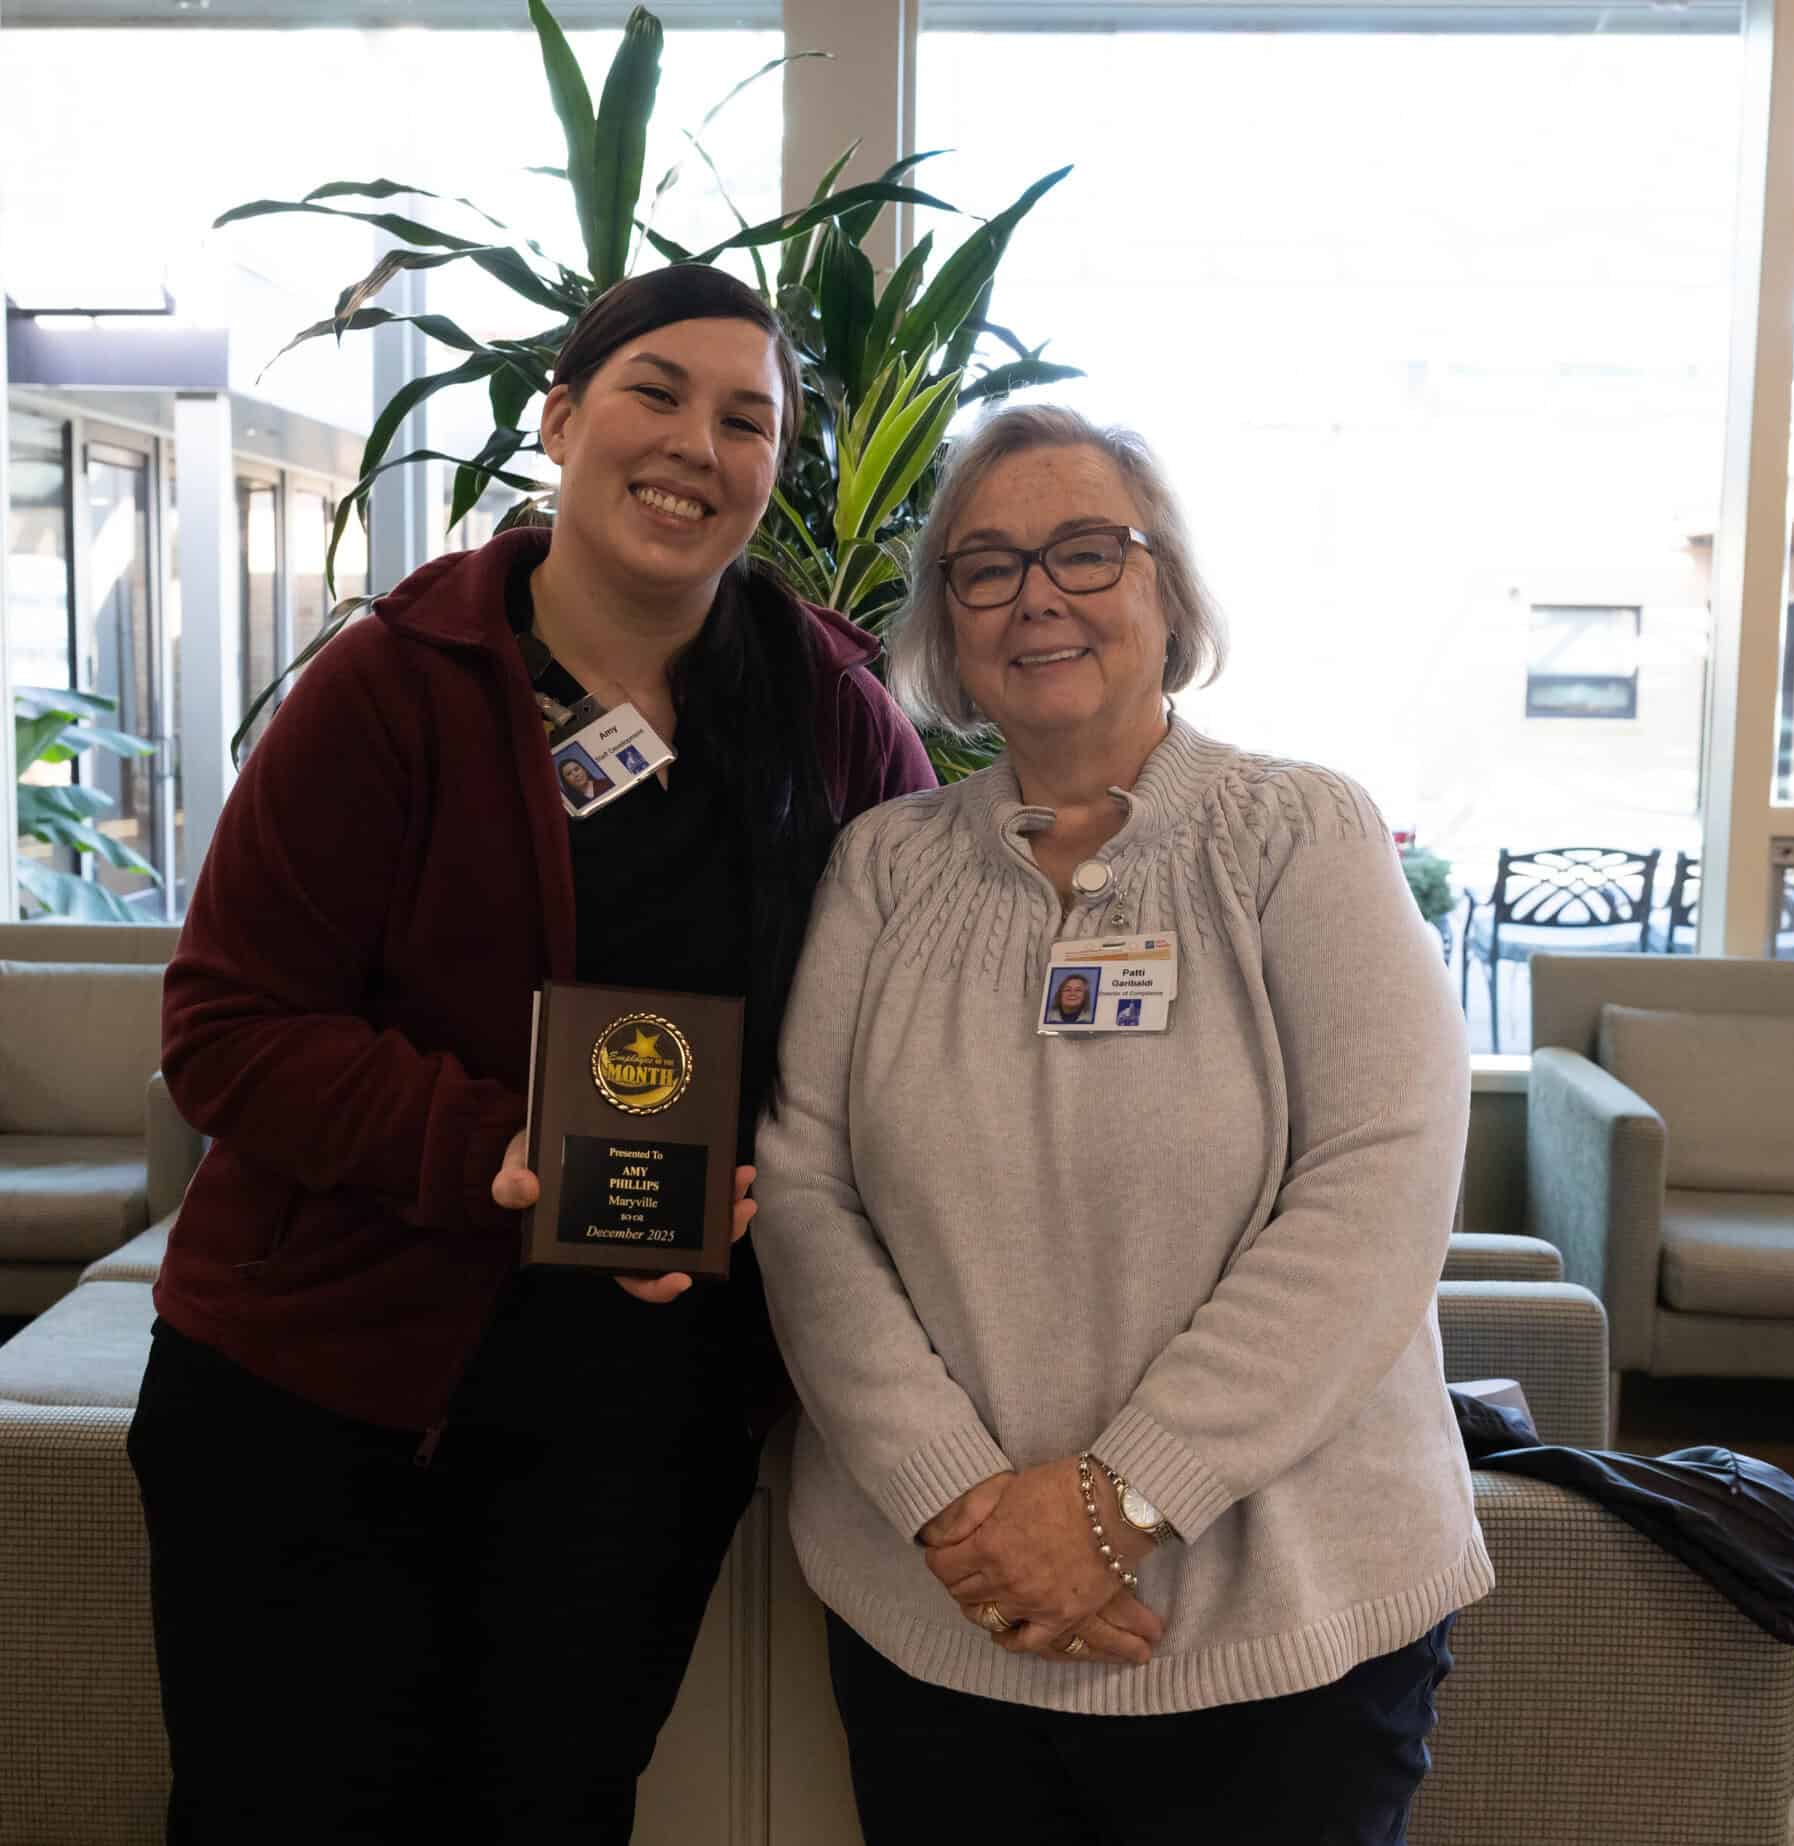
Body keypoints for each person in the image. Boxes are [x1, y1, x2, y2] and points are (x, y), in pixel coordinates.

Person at [127, 263, 934, 1846]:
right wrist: (493, 1150)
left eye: (746, 418)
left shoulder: (828, 709)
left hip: (639, 1423)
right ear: (561, 416)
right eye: (655, 393)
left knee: (549, 1813)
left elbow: (929, 998)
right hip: (323, 1385)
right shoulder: (394, 685)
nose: (698, 442)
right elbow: (222, 1031)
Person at [753, 405, 1487, 1845]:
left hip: (1284, 1634)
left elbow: (1378, 1189)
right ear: (947, 626)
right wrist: (962, 1503)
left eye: (1089, 550)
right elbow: (802, 1187)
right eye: (987, 565)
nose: (1039, 593)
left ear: (1170, 591)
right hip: (943, 1617)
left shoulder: (1305, 834)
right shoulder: (882, 868)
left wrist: (1116, 1501)